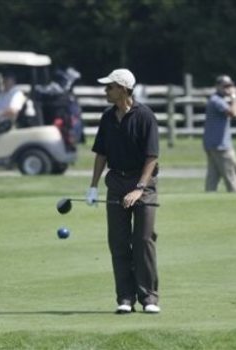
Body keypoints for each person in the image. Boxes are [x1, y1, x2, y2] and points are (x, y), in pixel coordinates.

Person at [86, 68, 161, 314]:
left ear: (123, 88)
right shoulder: (108, 117)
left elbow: (152, 157)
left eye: (109, 87)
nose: (105, 91)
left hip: (143, 183)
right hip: (116, 183)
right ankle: (125, 298)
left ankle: (148, 298)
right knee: (118, 242)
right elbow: (101, 154)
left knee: (142, 240)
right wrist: (94, 186)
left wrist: (139, 189)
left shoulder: (145, 116)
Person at [203, 75, 236, 193]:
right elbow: (234, 114)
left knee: (212, 178)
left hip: (212, 144)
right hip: (221, 146)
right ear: (217, 86)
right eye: (225, 86)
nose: (228, 89)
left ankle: (208, 201)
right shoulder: (217, 100)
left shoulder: (216, 99)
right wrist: (234, 97)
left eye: (230, 86)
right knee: (232, 177)